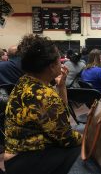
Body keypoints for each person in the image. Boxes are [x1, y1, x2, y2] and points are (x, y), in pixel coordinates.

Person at [4, 34, 81, 174]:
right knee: (86, 151)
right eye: (59, 59)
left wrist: (61, 87)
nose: (62, 63)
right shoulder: (44, 95)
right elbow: (67, 139)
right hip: (26, 162)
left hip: (15, 157)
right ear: (51, 66)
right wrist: (91, 137)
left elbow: (61, 116)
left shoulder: (26, 81)